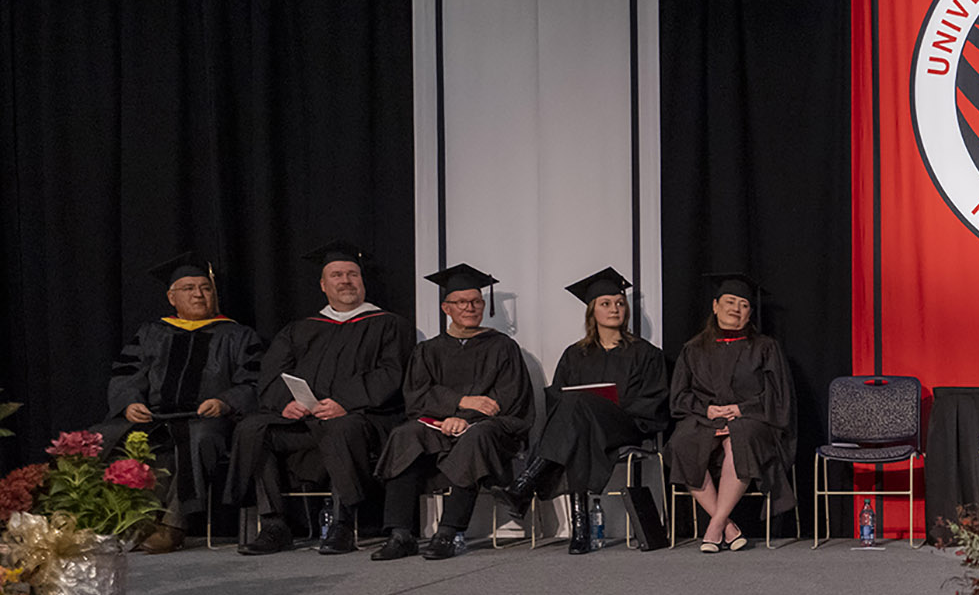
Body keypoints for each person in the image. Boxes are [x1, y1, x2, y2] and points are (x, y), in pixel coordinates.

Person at [229, 240, 412, 556]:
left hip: (363, 418)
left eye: (352, 274)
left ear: (362, 281)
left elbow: (391, 372)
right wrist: (286, 403)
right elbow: (273, 373)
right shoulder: (300, 329)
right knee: (254, 429)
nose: (346, 281)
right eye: (337, 275)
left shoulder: (389, 324)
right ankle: (274, 525)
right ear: (323, 285)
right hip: (305, 422)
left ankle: (343, 524)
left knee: (342, 428)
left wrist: (345, 402)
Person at [89, 251, 263, 552]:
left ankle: (172, 526)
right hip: (155, 417)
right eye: (189, 288)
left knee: (199, 438)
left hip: (205, 418)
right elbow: (127, 374)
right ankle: (120, 521)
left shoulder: (238, 335)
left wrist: (224, 402)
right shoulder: (151, 333)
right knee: (104, 436)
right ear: (172, 297)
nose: (199, 294)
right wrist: (130, 402)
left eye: (206, 288)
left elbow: (254, 381)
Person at [501, 267, 671, 555]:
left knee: (578, 410)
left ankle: (528, 483)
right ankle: (580, 531)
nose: (615, 309)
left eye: (619, 303)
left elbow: (653, 400)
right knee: (576, 424)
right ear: (592, 311)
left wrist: (603, 407)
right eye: (606, 304)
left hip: (626, 426)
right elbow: (558, 398)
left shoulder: (646, 353)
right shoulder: (574, 354)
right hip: (584, 431)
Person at [368, 264, 532, 562]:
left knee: (475, 436)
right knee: (405, 435)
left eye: (476, 301)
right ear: (446, 307)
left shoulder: (502, 347)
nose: (470, 307)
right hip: (438, 424)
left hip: (491, 429)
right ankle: (401, 534)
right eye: (462, 302)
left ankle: (449, 532)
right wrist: (462, 402)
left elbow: (507, 399)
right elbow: (416, 396)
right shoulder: (428, 350)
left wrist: (465, 419)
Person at [664, 275, 794, 551]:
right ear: (715, 306)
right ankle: (729, 527)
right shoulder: (694, 349)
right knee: (681, 442)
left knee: (741, 436)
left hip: (754, 419)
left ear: (750, 312)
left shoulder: (764, 347)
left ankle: (714, 525)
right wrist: (708, 410)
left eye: (744, 304)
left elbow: (779, 397)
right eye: (730, 302)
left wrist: (741, 409)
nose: (736, 308)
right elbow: (679, 396)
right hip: (704, 418)